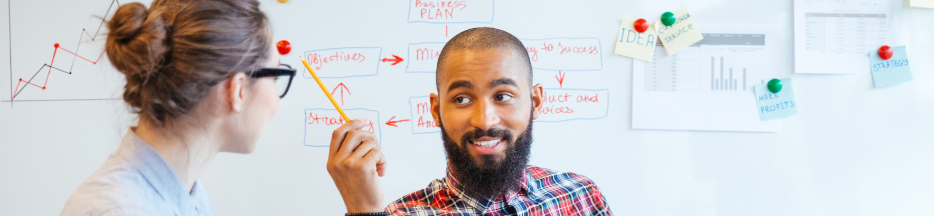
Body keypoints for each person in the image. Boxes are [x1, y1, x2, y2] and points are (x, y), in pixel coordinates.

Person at [325, 27, 611, 216]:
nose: (484, 120)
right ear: (436, 110)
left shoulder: (581, 195)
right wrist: (362, 209)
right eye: (462, 99)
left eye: (503, 96)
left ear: (535, 102)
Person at [58, 0, 294, 215]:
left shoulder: (188, 196)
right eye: (275, 76)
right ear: (238, 90)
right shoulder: (123, 209)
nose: (276, 100)